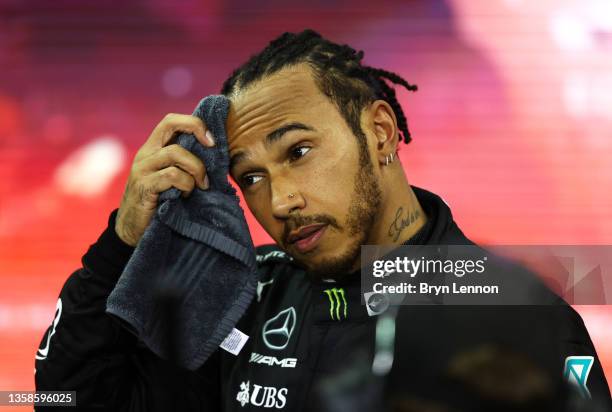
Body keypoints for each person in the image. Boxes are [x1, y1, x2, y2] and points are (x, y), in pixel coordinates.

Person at [35, 30, 611, 411]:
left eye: (298, 152)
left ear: (380, 132)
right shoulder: (240, 295)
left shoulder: (517, 315)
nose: (279, 202)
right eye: (251, 178)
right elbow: (69, 398)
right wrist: (122, 242)